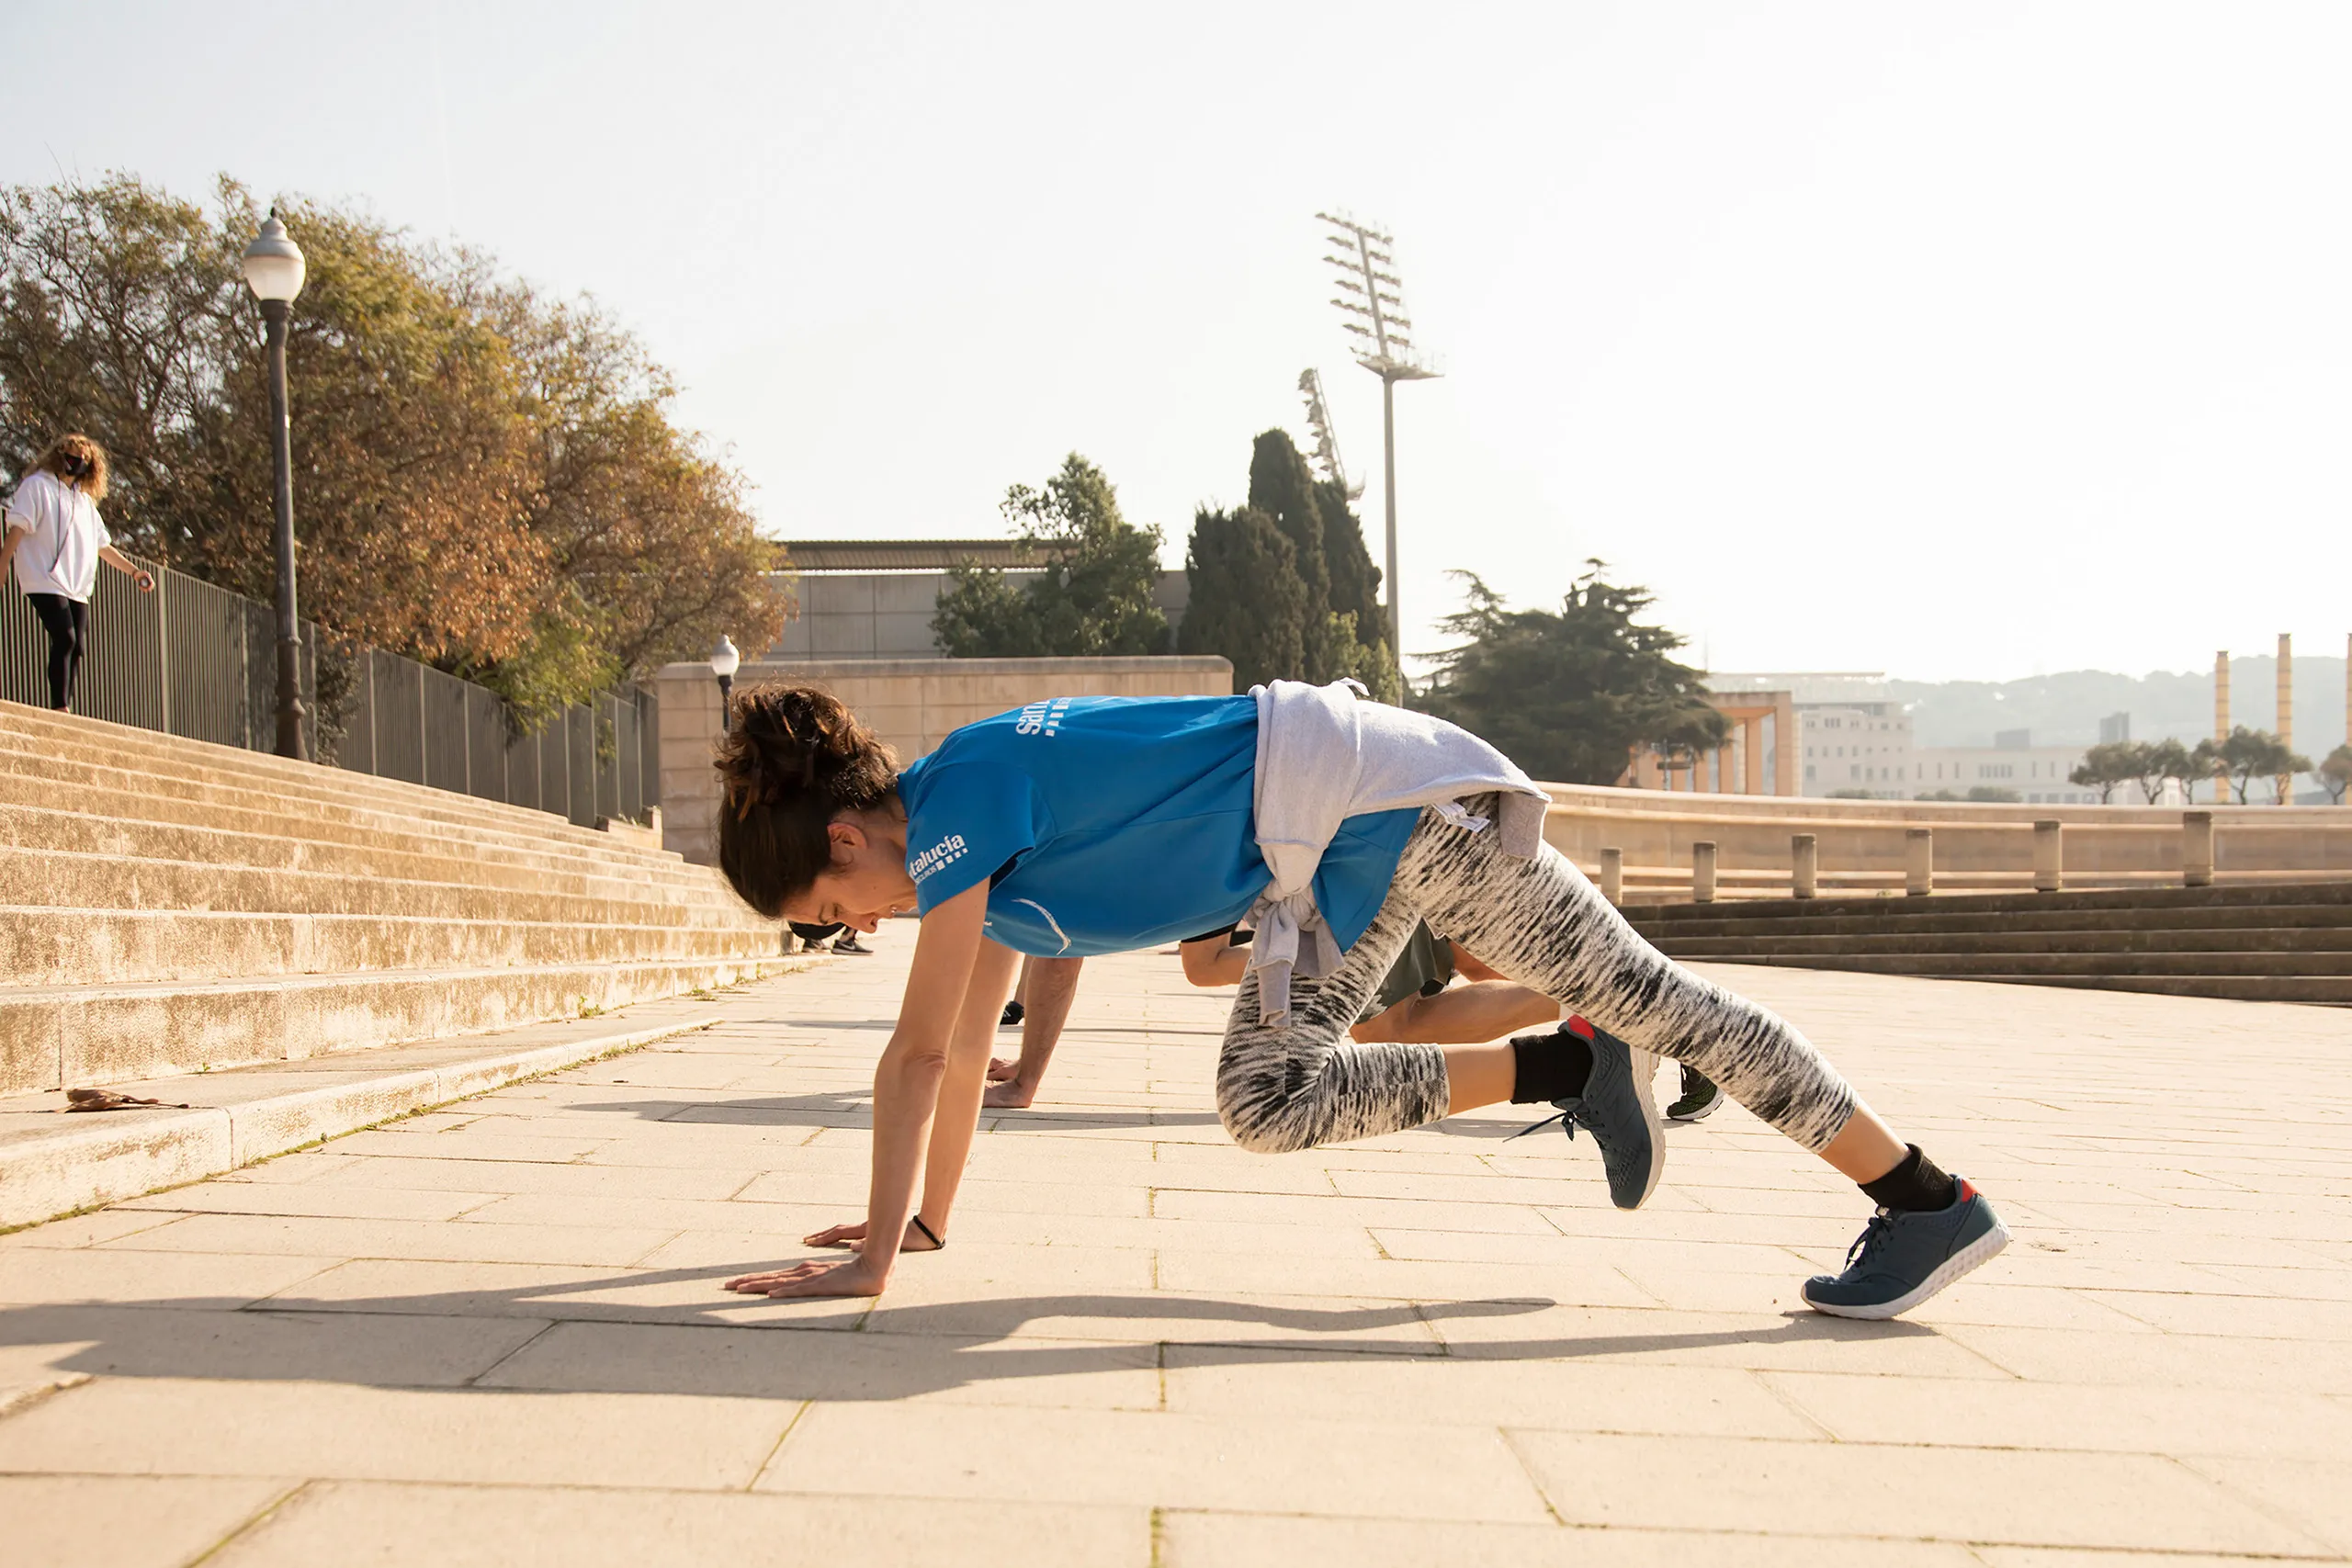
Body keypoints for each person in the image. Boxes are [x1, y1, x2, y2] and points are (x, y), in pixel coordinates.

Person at [713, 682, 2007, 1320]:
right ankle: (1570, 1068)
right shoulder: (965, 847)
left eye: (834, 915)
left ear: (841, 841)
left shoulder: (955, 807)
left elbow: (914, 1059)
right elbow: (949, 1043)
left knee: (1658, 998)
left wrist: (875, 1260)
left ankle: (1926, 1198)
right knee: (1267, 1097)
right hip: (1332, 854)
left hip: (1392, 814)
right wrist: (927, 1223)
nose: (857, 931)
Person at [1, 434, 154, 710]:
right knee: (65, 637)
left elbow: (102, 546)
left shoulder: (84, 503)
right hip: (43, 577)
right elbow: (17, 529)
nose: (76, 463)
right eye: (71, 456)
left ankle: (64, 706)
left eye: (83, 460)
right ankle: (60, 707)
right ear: (58, 455)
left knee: (77, 647)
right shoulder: (36, 486)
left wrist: (135, 572)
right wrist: (2, 566)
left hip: (77, 585)